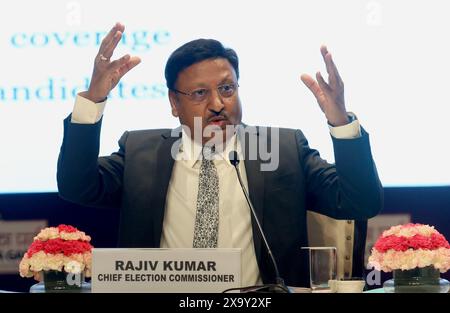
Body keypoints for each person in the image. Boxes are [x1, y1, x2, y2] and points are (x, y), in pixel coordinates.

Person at [57, 22, 383, 288]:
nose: (217, 104)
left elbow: (360, 202)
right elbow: (77, 186)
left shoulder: (283, 149)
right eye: (200, 93)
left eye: (227, 89)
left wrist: (340, 122)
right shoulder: (141, 152)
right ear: (174, 103)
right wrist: (93, 101)